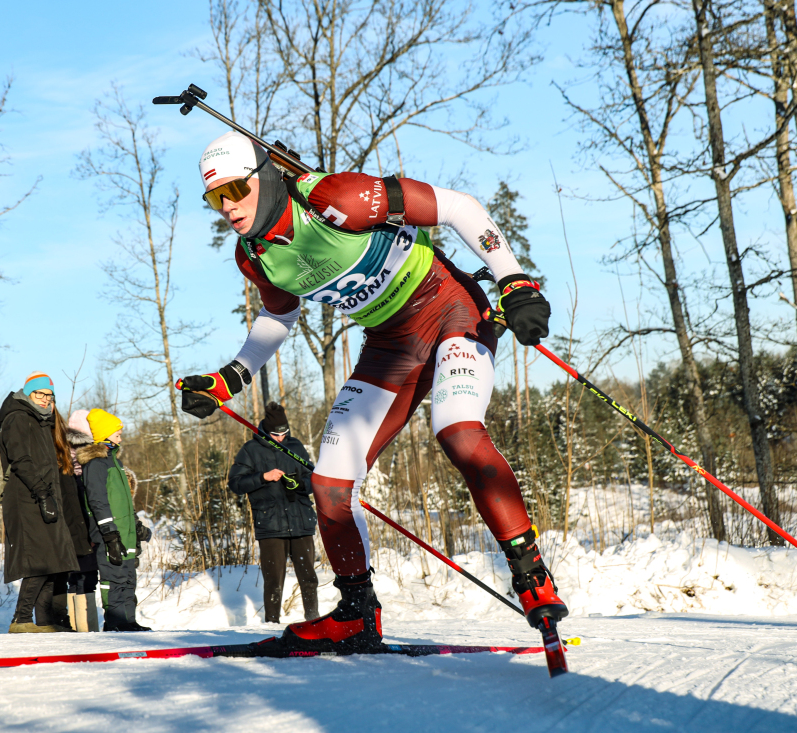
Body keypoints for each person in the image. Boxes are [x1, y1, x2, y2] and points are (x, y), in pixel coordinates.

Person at [178, 131, 565, 652]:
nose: (227, 207)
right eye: (214, 198)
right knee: (329, 482)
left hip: (451, 310)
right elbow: (278, 314)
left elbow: (457, 207)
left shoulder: (339, 198)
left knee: (457, 431)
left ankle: (531, 574)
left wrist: (514, 281)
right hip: (390, 344)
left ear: (265, 178)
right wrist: (231, 377)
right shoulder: (254, 256)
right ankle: (357, 612)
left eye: (234, 190)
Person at [0, 372, 80, 633]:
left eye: (49, 395)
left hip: (44, 495)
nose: (45, 399)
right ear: (28, 393)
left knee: (54, 559)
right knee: (39, 559)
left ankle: (44, 620)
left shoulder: (42, 421)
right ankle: (20, 619)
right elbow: (20, 460)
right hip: (27, 499)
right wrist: (42, 493)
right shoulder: (18, 418)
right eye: (40, 394)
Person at [228, 402, 319, 623]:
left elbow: (314, 479)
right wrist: (263, 477)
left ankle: (313, 620)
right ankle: (272, 623)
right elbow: (235, 484)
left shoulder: (296, 446)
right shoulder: (250, 450)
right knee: (273, 580)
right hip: (270, 525)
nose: (280, 438)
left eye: (284, 433)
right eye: (275, 435)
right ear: (265, 431)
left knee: (308, 577)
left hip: (300, 522)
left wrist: (301, 484)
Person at [76, 408, 153, 632]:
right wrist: (109, 533)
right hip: (110, 533)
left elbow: (125, 502)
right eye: (117, 433)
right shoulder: (96, 464)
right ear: (105, 434)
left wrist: (135, 525)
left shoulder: (114, 463)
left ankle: (128, 620)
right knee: (114, 577)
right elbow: (97, 501)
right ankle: (116, 622)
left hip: (125, 531)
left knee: (128, 577)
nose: (120, 437)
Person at [59, 409, 98, 632]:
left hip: (68, 525)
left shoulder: (61, 453)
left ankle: (78, 627)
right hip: (84, 524)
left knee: (74, 577)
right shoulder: (88, 458)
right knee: (87, 576)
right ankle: (87, 629)